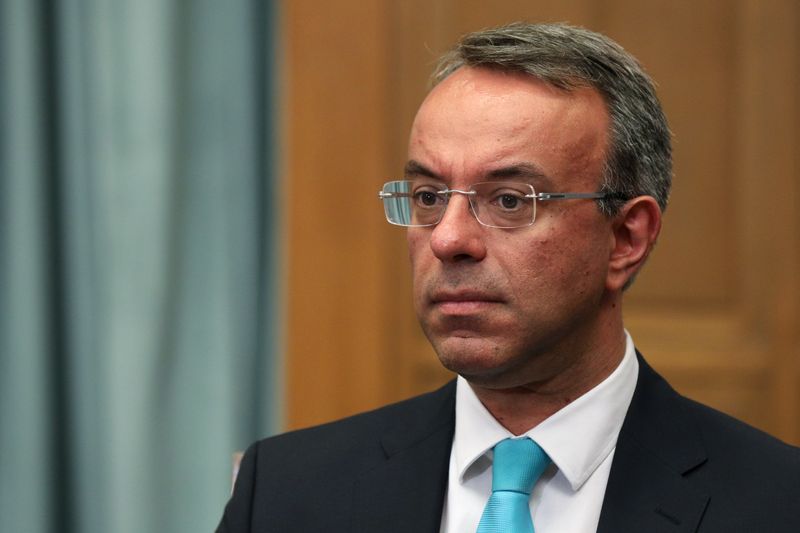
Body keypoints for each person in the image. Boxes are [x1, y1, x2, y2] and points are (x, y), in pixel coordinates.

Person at [217, 22, 800, 533]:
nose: (448, 239)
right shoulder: (287, 492)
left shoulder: (776, 503)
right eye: (428, 196)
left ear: (627, 238)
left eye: (511, 201)